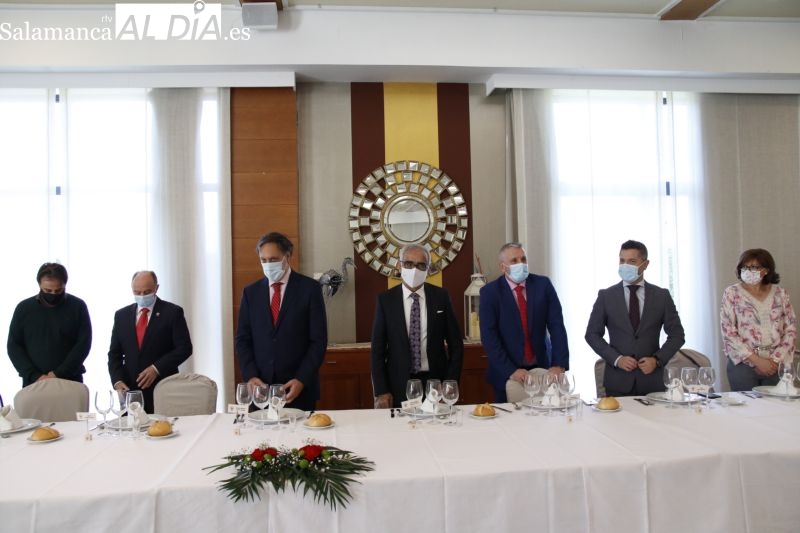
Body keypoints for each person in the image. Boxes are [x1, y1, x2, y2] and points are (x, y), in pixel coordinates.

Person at [235, 232, 327, 411]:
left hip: (297, 389)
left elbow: (318, 341)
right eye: (264, 260)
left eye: (273, 259)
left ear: (288, 256)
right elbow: (242, 340)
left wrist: (301, 379)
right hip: (260, 391)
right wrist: (251, 376)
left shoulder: (310, 289)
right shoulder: (250, 293)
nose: (268, 265)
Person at [585, 240, 685, 397]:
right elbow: (592, 334)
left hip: (652, 381)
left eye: (632, 261)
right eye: (622, 260)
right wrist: (617, 359)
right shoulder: (606, 296)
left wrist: (657, 360)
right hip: (618, 381)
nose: (625, 265)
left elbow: (677, 335)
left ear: (645, 264)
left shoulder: (661, 296)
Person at [371, 244, 464, 409]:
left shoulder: (441, 296)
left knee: (437, 431)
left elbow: (456, 345)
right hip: (398, 384)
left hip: (436, 384)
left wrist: (450, 382)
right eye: (408, 264)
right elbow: (377, 350)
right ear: (399, 266)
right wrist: (381, 390)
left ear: (428, 269)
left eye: (421, 265)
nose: (414, 270)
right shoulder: (385, 300)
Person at [479, 243, 569, 402]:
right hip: (507, 373)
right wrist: (511, 370)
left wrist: (559, 364)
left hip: (543, 368)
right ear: (503, 267)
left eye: (523, 259)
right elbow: (489, 337)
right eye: (514, 260)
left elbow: (557, 327)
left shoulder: (543, 285)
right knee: (509, 424)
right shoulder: (490, 293)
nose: (520, 263)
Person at [107, 271, 193, 413]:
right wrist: (117, 380)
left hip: (163, 387)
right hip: (131, 391)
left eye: (146, 292)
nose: (141, 296)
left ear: (156, 288)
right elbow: (114, 354)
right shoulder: (121, 315)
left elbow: (184, 348)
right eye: (137, 292)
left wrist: (156, 368)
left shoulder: (172, 312)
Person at [721, 248, 796, 391]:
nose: (749, 271)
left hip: (776, 365)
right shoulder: (731, 293)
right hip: (743, 365)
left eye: (754, 267)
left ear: (766, 270)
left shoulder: (781, 294)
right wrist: (757, 361)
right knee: (745, 410)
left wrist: (773, 360)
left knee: (776, 409)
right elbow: (728, 332)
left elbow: (790, 330)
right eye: (745, 267)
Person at [7, 262, 92, 387]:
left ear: (64, 285)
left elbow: (83, 344)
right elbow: (14, 346)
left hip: (70, 381)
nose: (53, 294)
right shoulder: (24, 308)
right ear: (39, 285)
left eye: (58, 290)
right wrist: (35, 375)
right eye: (47, 290)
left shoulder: (78, 306)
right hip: (33, 382)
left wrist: (58, 374)